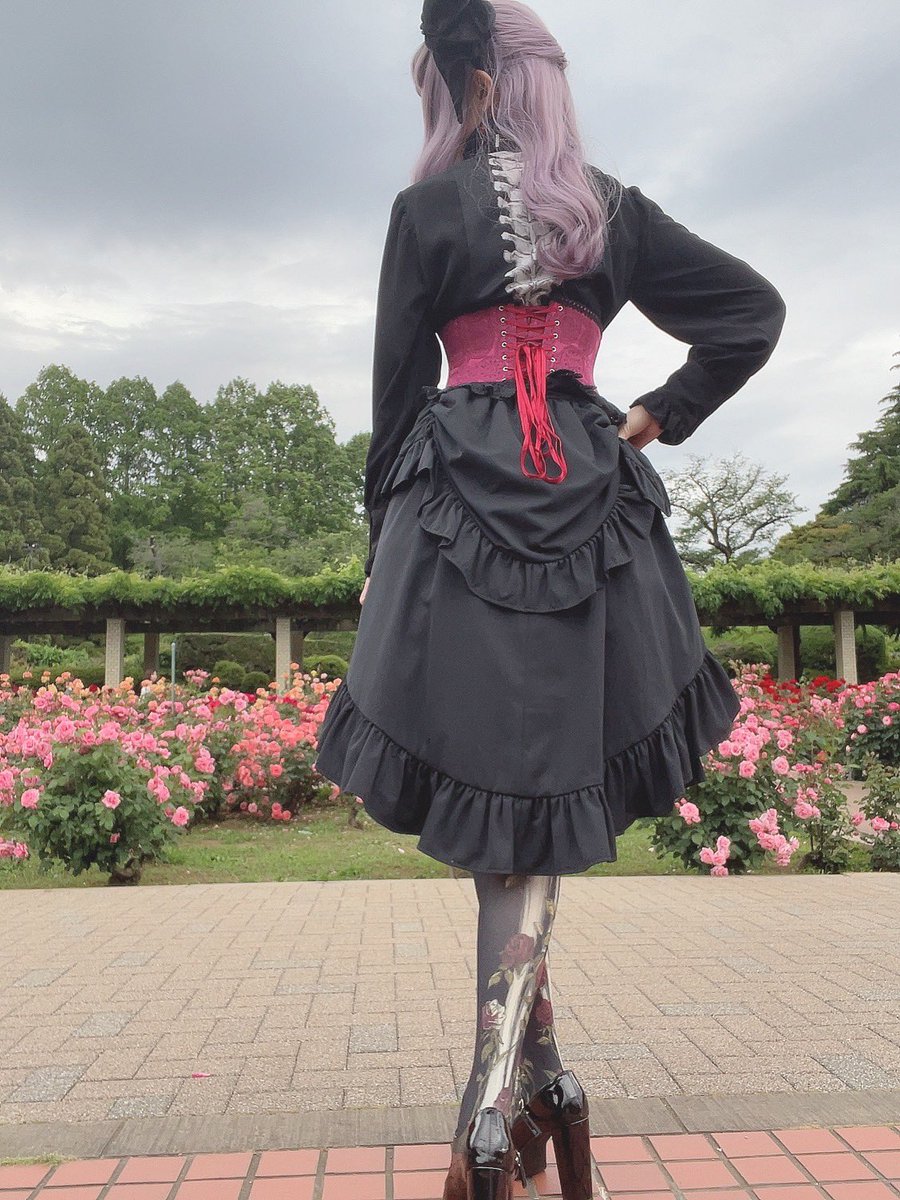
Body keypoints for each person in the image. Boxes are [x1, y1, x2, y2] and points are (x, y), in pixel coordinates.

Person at [313, 2, 786, 1197]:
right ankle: (546, 1077)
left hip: (452, 515)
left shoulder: (422, 214)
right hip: (587, 496)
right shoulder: (610, 209)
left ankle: (488, 1105)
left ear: (465, 88)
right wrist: (649, 416)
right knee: (528, 800)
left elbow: (391, 399)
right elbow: (751, 312)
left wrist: (385, 549)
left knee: (504, 811)